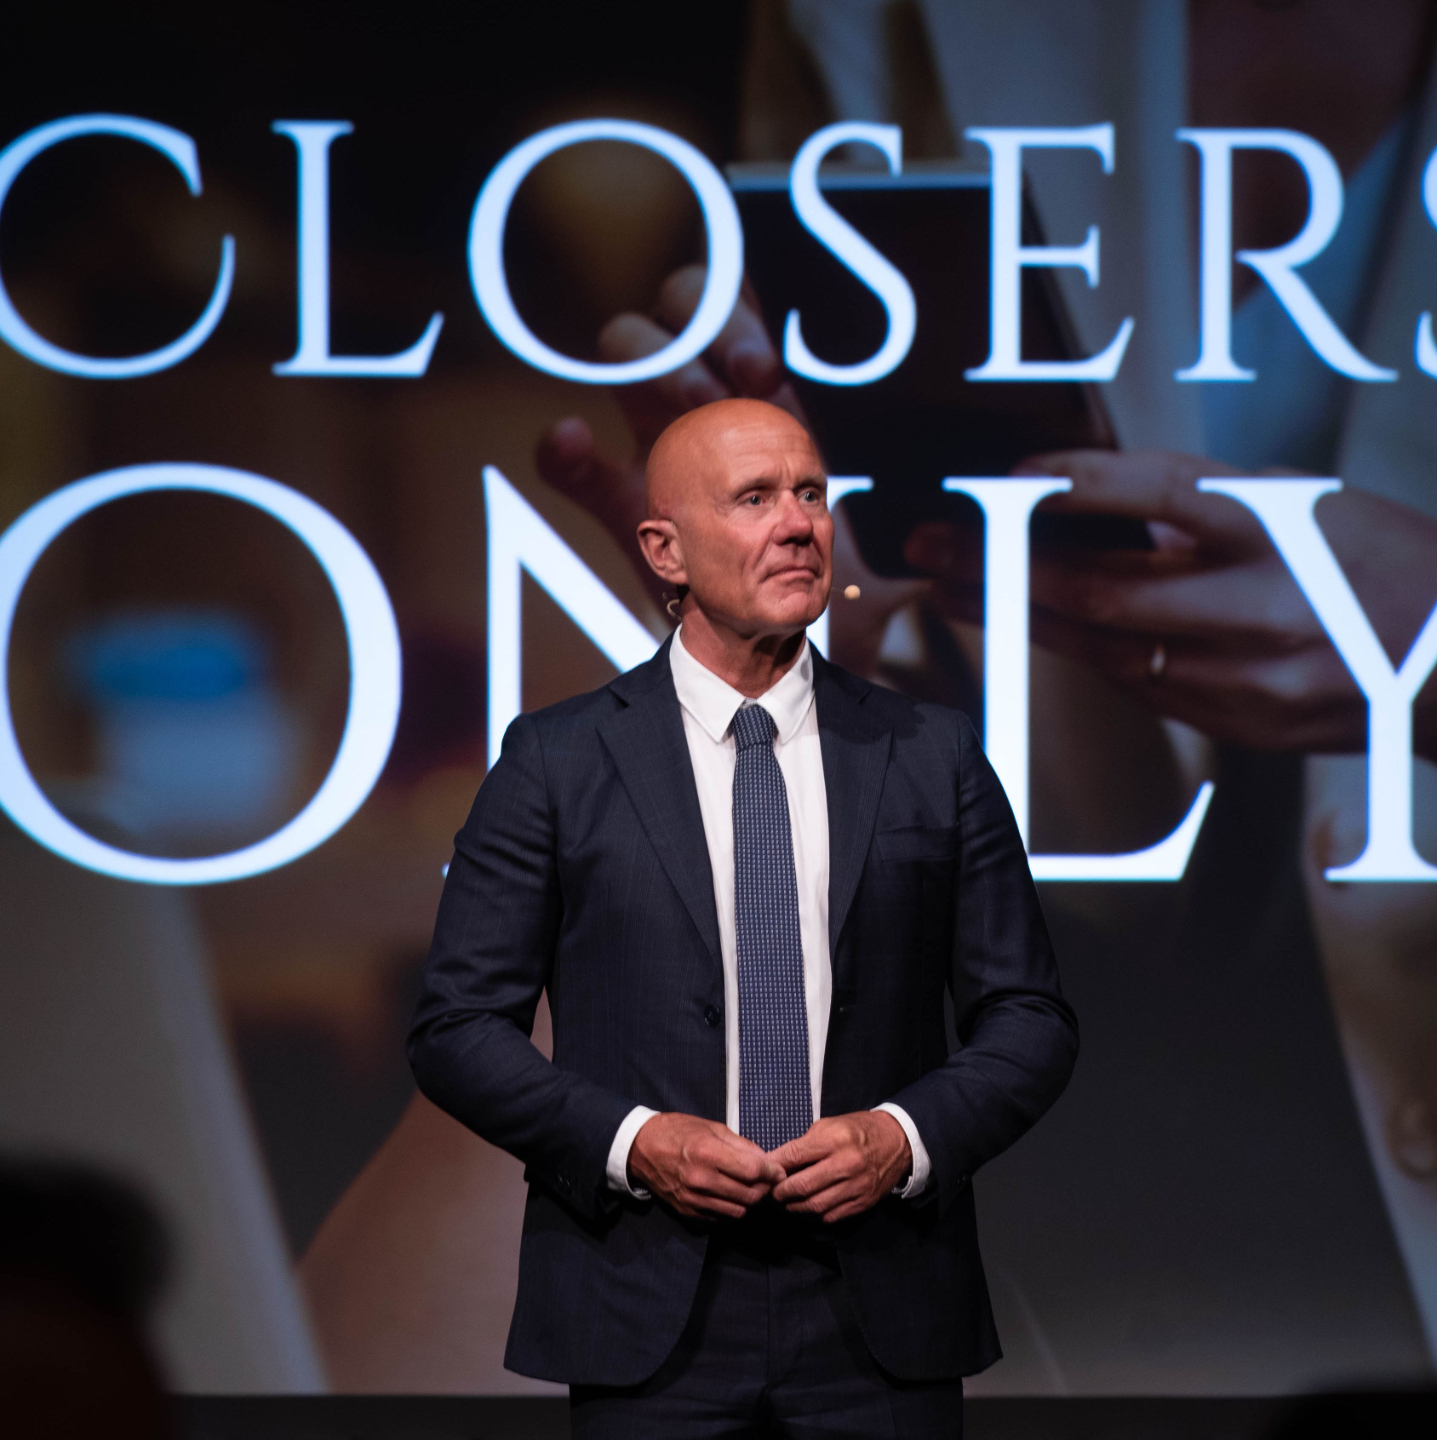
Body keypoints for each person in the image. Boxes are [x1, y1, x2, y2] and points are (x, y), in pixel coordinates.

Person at [408, 397, 1077, 1435]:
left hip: (879, 1307)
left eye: (810, 493)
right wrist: (636, 1143)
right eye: (755, 499)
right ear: (664, 551)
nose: (799, 523)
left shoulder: (929, 753)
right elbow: (455, 1030)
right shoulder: (557, 761)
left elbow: (1030, 1018)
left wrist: (902, 1138)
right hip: (645, 1299)